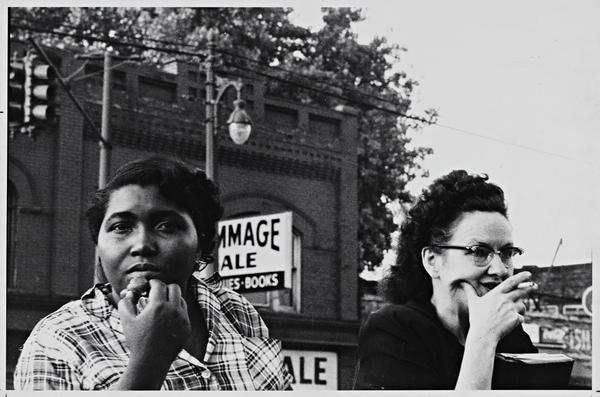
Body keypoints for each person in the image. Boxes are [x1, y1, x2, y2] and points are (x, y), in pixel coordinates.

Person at [14, 155, 292, 390]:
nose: (142, 245)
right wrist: (149, 361)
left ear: (202, 244)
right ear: (99, 244)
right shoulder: (57, 341)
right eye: (121, 227)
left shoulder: (236, 310)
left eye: (166, 226)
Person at [354, 170, 538, 390]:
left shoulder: (510, 336)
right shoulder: (392, 331)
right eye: (479, 251)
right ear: (432, 260)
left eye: (507, 253)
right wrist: (483, 339)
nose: (500, 269)